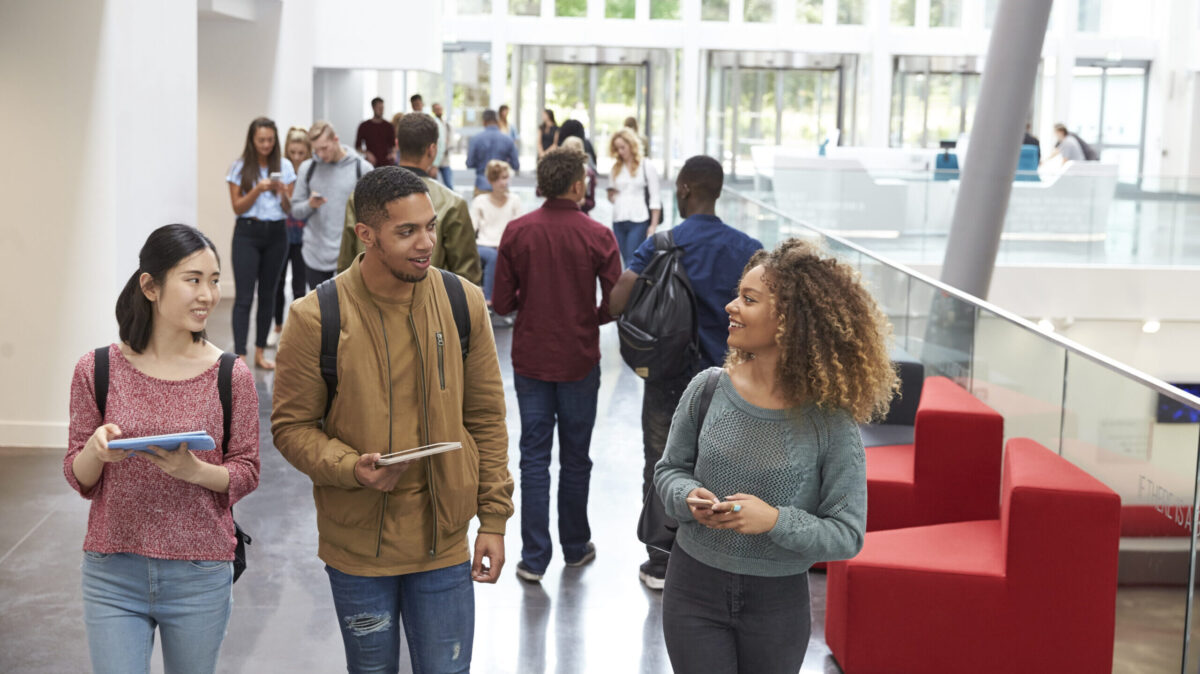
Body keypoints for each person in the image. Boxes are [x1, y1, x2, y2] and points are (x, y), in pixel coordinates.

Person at [272, 166, 513, 674]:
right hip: (358, 547)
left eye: (429, 226)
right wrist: (349, 467)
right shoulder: (316, 317)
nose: (425, 243)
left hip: (444, 542)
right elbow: (291, 428)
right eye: (407, 232)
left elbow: (486, 418)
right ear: (366, 234)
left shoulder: (462, 302)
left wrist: (493, 519)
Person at [654, 238, 898, 674]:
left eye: (748, 299)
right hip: (693, 587)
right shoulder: (707, 389)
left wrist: (774, 521)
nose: (731, 306)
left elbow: (847, 533)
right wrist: (687, 495)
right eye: (738, 295)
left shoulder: (830, 423)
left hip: (777, 605)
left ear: (790, 320)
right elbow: (669, 471)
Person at [65, 224, 261, 674]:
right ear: (150, 286)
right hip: (112, 570)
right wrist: (96, 451)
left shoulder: (232, 375)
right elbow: (78, 477)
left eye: (213, 280)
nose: (208, 295)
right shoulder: (95, 369)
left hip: (201, 572)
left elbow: (247, 470)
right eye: (193, 280)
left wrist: (196, 471)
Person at [611, 154, 763, 590]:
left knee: (663, 461)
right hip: (732, 378)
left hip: (668, 375)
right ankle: (716, 558)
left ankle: (661, 560)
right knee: (727, 464)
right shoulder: (748, 249)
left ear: (683, 189)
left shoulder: (662, 243)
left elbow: (619, 299)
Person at [492, 148, 622, 583]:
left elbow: (505, 302)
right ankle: (574, 544)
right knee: (576, 458)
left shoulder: (516, 232)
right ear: (577, 184)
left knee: (533, 458)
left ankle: (533, 557)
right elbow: (617, 300)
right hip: (579, 360)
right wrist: (593, 317)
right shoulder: (599, 235)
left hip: (530, 360)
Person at [337, 113, 482, 285]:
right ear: (433, 149)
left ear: (397, 145)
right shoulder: (452, 203)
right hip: (429, 307)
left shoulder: (362, 196)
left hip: (366, 302)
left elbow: (346, 263)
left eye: (431, 227)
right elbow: (465, 277)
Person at [227, 116, 295, 370]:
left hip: (277, 234)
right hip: (247, 233)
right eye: (261, 140)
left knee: (268, 294)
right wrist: (258, 189)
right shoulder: (240, 167)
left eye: (270, 140)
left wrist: (282, 193)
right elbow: (237, 207)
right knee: (244, 297)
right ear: (252, 141)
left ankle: (259, 353)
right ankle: (240, 356)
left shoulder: (285, 166)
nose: (266, 144)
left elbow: (289, 210)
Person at [290, 121, 374, 292]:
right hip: (315, 254)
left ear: (336, 139)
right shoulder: (308, 168)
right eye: (316, 150)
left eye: (324, 148)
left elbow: (374, 214)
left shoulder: (362, 168)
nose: (321, 154)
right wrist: (310, 205)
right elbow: (296, 210)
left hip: (349, 256)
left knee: (348, 313)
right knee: (322, 313)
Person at [271, 127, 313, 345]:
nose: (297, 157)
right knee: (277, 283)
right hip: (283, 233)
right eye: (293, 152)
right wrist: (283, 194)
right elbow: (284, 208)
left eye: (301, 153)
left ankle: (296, 331)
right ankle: (277, 327)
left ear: (308, 152)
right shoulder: (283, 173)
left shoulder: (311, 174)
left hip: (304, 235)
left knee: (299, 285)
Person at [470, 160, 522, 308]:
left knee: (502, 255)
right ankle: (489, 298)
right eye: (499, 178)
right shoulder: (480, 201)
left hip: (506, 245)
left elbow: (518, 229)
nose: (503, 182)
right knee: (494, 256)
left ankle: (509, 296)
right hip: (483, 245)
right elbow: (472, 228)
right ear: (491, 181)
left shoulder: (515, 201)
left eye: (506, 177)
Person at [606, 128, 662, 265]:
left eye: (622, 147)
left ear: (631, 145)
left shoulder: (646, 165)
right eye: (617, 148)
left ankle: (631, 286)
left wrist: (653, 225)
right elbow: (610, 192)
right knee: (626, 260)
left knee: (632, 261)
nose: (620, 151)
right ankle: (634, 286)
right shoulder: (616, 168)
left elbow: (655, 197)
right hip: (618, 219)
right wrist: (613, 197)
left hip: (639, 219)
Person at [466, 109, 520, 198]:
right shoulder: (508, 140)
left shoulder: (475, 139)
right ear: (498, 122)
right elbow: (516, 165)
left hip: (481, 186)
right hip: (502, 187)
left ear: (484, 122)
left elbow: (469, 163)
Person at [559, 136, 597, 215]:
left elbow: (591, 202)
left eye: (575, 151)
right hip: (560, 213)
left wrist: (583, 202)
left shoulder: (588, 174)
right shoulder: (557, 171)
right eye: (568, 150)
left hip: (580, 214)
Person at [355, 97, 395, 168]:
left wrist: (393, 154)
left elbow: (393, 145)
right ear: (373, 108)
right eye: (379, 108)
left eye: (382, 108)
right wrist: (367, 153)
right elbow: (358, 146)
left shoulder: (389, 126)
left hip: (386, 164)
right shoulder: (364, 126)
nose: (381, 110)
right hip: (371, 164)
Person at [433, 102, 454, 187]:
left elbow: (450, 142)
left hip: (445, 160)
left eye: (440, 109)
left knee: (449, 185)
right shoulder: (434, 123)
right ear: (433, 111)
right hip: (435, 160)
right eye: (436, 109)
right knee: (434, 185)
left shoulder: (448, 125)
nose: (439, 111)